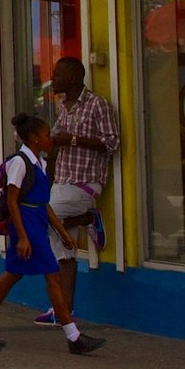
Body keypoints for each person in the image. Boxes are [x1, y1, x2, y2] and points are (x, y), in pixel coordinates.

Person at [0, 112, 104, 355]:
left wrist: (62, 231)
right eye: (46, 135)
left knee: (13, 274)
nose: (50, 138)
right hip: (27, 226)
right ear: (34, 138)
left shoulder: (40, 164)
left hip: (36, 223)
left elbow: (44, 203)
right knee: (52, 275)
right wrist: (22, 236)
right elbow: (13, 202)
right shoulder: (19, 163)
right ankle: (73, 336)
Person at [35, 56, 119, 328]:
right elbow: (55, 142)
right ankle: (63, 311)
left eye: (58, 75)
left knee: (40, 217)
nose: (54, 79)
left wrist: (71, 139)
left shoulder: (97, 105)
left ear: (73, 78)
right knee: (65, 252)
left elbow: (112, 143)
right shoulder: (63, 106)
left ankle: (87, 218)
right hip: (62, 182)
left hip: (85, 185)